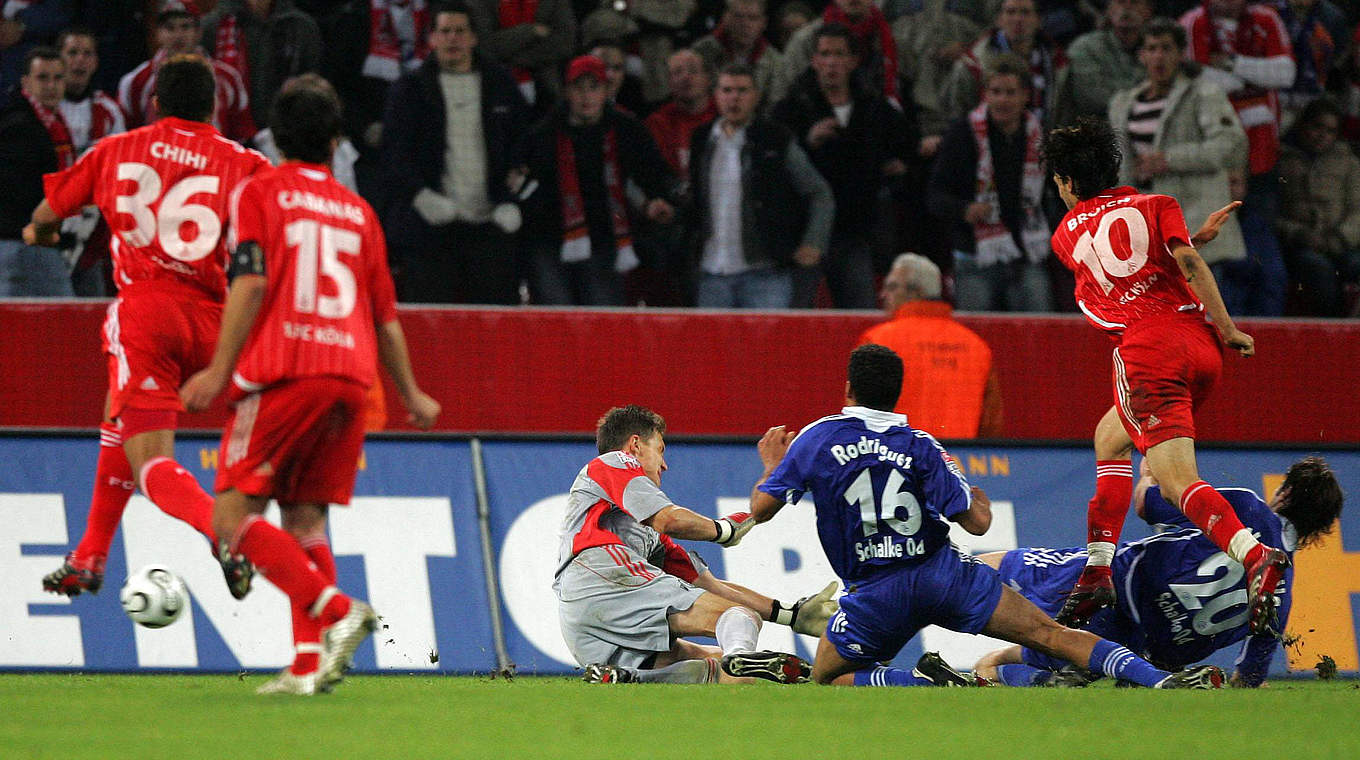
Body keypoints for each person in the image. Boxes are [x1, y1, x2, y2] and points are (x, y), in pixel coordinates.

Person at [747, 344, 1224, 688]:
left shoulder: (815, 438)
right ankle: (1161, 682)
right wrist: (979, 495)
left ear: (848, 387)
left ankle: (929, 685)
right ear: (897, 393)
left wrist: (773, 467)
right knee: (1051, 635)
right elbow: (976, 524)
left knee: (830, 676)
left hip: (876, 591)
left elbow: (761, 511)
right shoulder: (921, 446)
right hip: (943, 574)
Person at [178, 82, 441, 696]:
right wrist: (411, 394)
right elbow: (385, 317)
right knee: (304, 519)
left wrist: (218, 371)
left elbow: (247, 284)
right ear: (335, 141)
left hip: (285, 372)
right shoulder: (359, 211)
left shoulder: (259, 192)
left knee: (229, 516)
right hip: (351, 377)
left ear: (273, 137)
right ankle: (306, 666)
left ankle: (334, 610)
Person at [27, 54, 269, 600]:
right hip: (215, 323)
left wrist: (36, 234)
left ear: (154, 103)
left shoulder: (116, 149)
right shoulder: (244, 162)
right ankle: (89, 555)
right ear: (215, 107)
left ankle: (221, 531)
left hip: (145, 315)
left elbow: (46, 216)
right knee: (119, 412)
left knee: (152, 463)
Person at [1043, 116, 1290, 634]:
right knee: (1109, 438)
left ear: (1066, 183)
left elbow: (1120, 270)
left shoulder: (1065, 235)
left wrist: (1231, 325)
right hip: (1198, 348)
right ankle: (1097, 570)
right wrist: (1221, 324)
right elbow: (1182, 265)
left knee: (1179, 484)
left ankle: (1254, 555)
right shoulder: (1159, 205)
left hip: (1147, 353)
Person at [972, 457, 1343, 688]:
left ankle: (933, 590)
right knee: (1002, 664)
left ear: (1286, 492)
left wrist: (1152, 470)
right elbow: (1247, 677)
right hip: (1138, 647)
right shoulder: (1282, 592)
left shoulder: (1248, 507)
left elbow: (1146, 505)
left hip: (1117, 585)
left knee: (986, 568)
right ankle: (1050, 676)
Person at [557, 405, 813, 685]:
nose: (664, 464)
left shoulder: (648, 539)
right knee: (739, 617)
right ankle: (739, 656)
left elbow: (714, 587)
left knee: (728, 672)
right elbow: (669, 518)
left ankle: (632, 677)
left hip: (583, 627)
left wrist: (790, 614)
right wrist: (722, 530)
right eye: (661, 449)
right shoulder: (614, 461)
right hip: (602, 574)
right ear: (635, 445)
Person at [379, 2, 530, 305]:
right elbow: (393, 154)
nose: (453, 39)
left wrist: (511, 200)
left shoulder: (501, 84)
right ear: (431, 38)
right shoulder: (409, 89)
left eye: (460, 31)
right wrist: (422, 197)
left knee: (494, 326)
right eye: (445, 31)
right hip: (431, 230)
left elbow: (524, 144)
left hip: (490, 228)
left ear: (474, 38)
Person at [772, 24, 912, 310]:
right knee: (795, 321)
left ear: (853, 61)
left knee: (860, 318)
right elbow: (773, 165)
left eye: (839, 54)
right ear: (813, 61)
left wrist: (892, 169)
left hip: (854, 233)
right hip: (804, 235)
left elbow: (910, 145)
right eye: (824, 54)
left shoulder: (873, 107)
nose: (832, 62)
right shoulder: (790, 109)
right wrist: (807, 141)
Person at [517, 55, 676, 306]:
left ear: (605, 91)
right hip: (550, 243)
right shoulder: (543, 134)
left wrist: (658, 200)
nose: (586, 96)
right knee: (555, 322)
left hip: (606, 241)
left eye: (594, 88)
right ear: (567, 92)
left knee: (602, 321)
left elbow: (653, 173)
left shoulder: (627, 129)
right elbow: (525, 183)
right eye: (579, 88)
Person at [687, 63, 834, 309]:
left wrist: (814, 241)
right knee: (715, 347)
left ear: (756, 96)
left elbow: (819, 193)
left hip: (766, 272)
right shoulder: (701, 139)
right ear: (716, 95)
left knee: (767, 346)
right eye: (727, 90)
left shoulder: (776, 138)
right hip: (711, 271)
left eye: (742, 90)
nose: (734, 98)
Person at [1108, 18, 1247, 274]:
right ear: (1142, 56)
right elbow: (1120, 163)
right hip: (1145, 224)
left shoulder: (1204, 94)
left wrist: (1169, 160)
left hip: (1194, 219)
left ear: (1180, 55)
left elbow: (1227, 143)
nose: (1158, 56)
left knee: (1202, 308)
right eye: (1151, 49)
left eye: (1166, 48)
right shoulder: (1123, 103)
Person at [928, 54, 1053, 312]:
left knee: (1036, 337)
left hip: (1027, 255)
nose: (1002, 100)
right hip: (974, 257)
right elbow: (935, 195)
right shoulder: (962, 133)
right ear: (985, 94)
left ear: (1025, 96)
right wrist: (964, 210)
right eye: (995, 92)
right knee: (977, 337)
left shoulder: (1042, 137)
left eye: (1010, 92)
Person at [858, 253, 1002, 438]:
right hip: (958, 462)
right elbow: (991, 424)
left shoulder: (877, 340)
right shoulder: (976, 346)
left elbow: (859, 416)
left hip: (895, 461)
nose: (883, 295)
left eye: (892, 287)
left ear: (916, 293)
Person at [118, 5, 256, 143]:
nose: (178, 35)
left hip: (214, 158)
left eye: (185, 27)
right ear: (157, 34)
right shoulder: (136, 80)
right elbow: (127, 133)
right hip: (157, 159)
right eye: (170, 28)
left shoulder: (228, 77)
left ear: (198, 32)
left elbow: (242, 131)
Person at [1275, 96, 1360, 317]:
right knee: (1318, 270)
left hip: (1342, 243)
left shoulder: (1348, 162)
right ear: (1304, 125)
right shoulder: (1283, 159)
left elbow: (1357, 211)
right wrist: (1298, 234)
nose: (1323, 135)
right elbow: (1273, 215)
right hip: (1301, 244)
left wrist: (1336, 239)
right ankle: (1331, 333)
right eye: (1317, 127)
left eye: (1331, 131)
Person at [0, 46, 74, 297]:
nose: (51, 86)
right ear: (26, 82)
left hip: (27, 242)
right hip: (24, 244)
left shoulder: (49, 123)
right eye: (42, 77)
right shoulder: (19, 126)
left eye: (57, 78)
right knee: (66, 324)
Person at [199, 0, 323, 129]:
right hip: (230, 131)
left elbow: (314, 81)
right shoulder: (215, 25)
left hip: (285, 131)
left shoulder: (300, 25)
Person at [1055, 0, 1153, 125]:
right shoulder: (1085, 48)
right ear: (1109, 9)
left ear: (1148, 10)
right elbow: (1096, 100)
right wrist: (1147, 80)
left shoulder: (1157, 48)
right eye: (1120, 2)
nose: (1127, 8)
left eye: (1134, 2)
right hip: (1097, 135)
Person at [692, 0, 786, 108]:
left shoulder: (775, 62)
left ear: (763, 23)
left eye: (753, 18)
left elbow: (774, 105)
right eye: (738, 17)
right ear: (725, 18)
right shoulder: (701, 52)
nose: (745, 24)